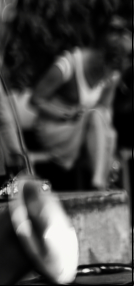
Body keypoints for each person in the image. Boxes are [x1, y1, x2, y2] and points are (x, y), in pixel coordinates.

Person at [29, 30, 131, 190]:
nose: (110, 74)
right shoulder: (68, 64)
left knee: (102, 121)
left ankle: (99, 182)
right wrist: (65, 114)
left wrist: (108, 135)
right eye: (109, 68)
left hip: (86, 133)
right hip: (55, 128)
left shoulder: (112, 75)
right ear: (102, 55)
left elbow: (106, 113)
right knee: (96, 116)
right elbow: (35, 100)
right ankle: (101, 185)